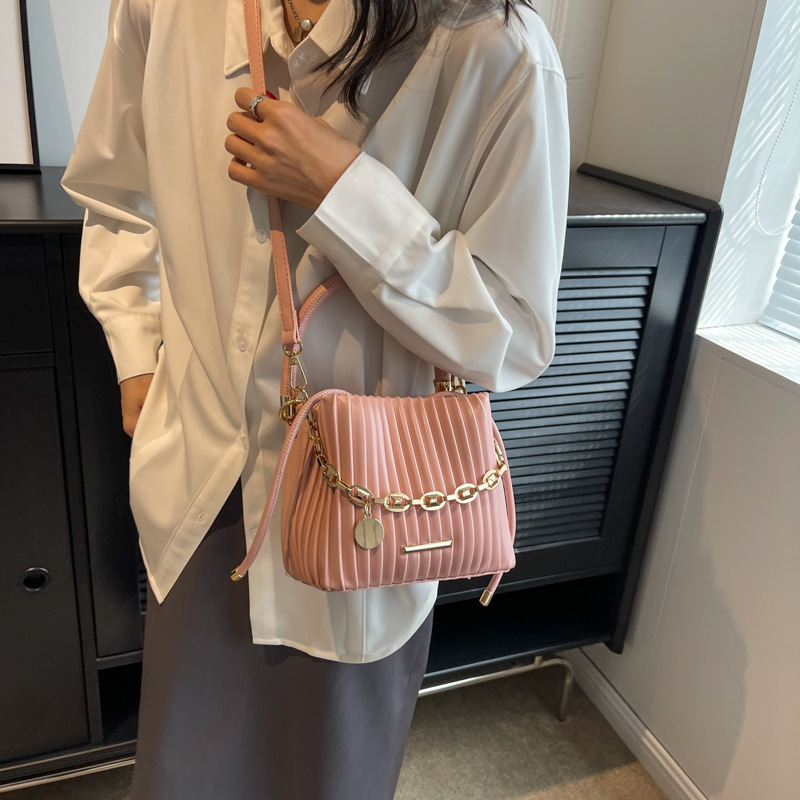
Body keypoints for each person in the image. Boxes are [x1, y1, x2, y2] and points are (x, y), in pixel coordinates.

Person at [62, 0, 568, 796]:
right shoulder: (166, 9)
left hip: (369, 515)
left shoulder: (494, 48)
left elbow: (514, 331)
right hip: (199, 488)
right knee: (184, 773)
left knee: (332, 775)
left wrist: (345, 194)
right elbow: (118, 193)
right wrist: (135, 353)